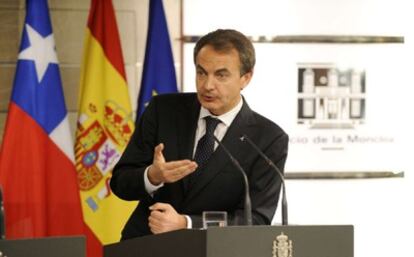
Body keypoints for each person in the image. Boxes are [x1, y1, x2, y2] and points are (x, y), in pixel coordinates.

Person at [110, 29, 289, 240]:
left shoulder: (268, 139)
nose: (207, 85)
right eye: (201, 72)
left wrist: (186, 223)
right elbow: (120, 183)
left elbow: (256, 220)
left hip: (214, 250)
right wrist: (153, 176)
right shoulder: (163, 110)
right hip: (145, 244)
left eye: (221, 75)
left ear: (246, 78)